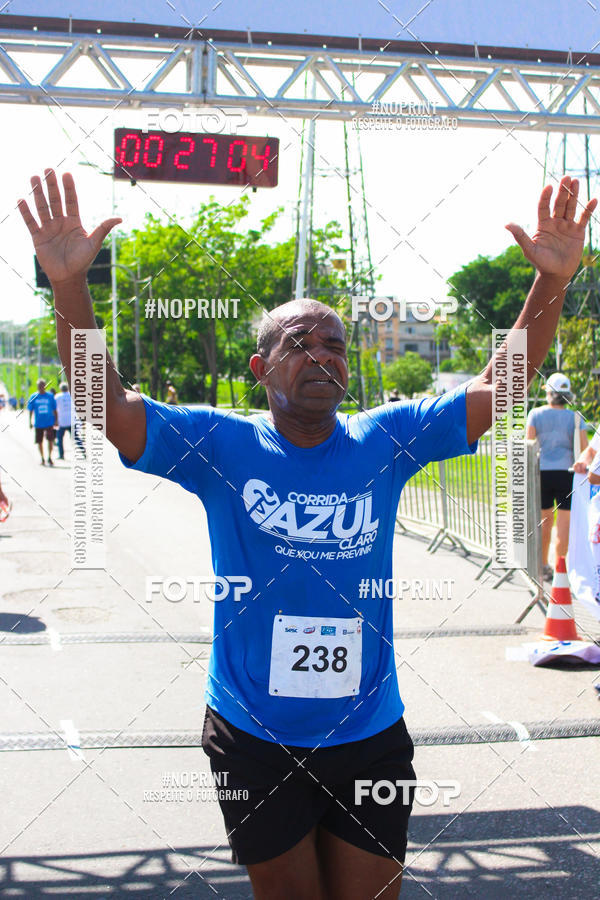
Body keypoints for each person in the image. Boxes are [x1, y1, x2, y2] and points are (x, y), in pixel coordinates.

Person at [18, 168, 596, 898]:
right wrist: (69, 287)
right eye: (300, 342)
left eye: (336, 343)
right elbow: (106, 405)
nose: (323, 353)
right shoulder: (220, 445)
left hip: (368, 736)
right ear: (261, 369)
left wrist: (553, 282)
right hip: (254, 739)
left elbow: (503, 385)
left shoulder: (384, 439)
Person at [527, 372, 588, 580]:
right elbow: (584, 449)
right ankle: (561, 568)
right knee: (564, 523)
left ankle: (543, 565)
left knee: (545, 521)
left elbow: (530, 444)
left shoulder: (535, 414)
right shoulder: (575, 417)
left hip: (541, 474)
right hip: (566, 474)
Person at [26, 378, 57, 466]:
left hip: (49, 422)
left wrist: (56, 420)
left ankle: (50, 457)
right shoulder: (33, 397)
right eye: (39, 386)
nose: (40, 387)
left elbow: (55, 409)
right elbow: (30, 410)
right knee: (39, 441)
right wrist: (30, 422)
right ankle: (42, 458)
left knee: (50, 440)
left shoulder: (50, 396)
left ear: (45, 386)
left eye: (42, 385)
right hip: (38, 423)